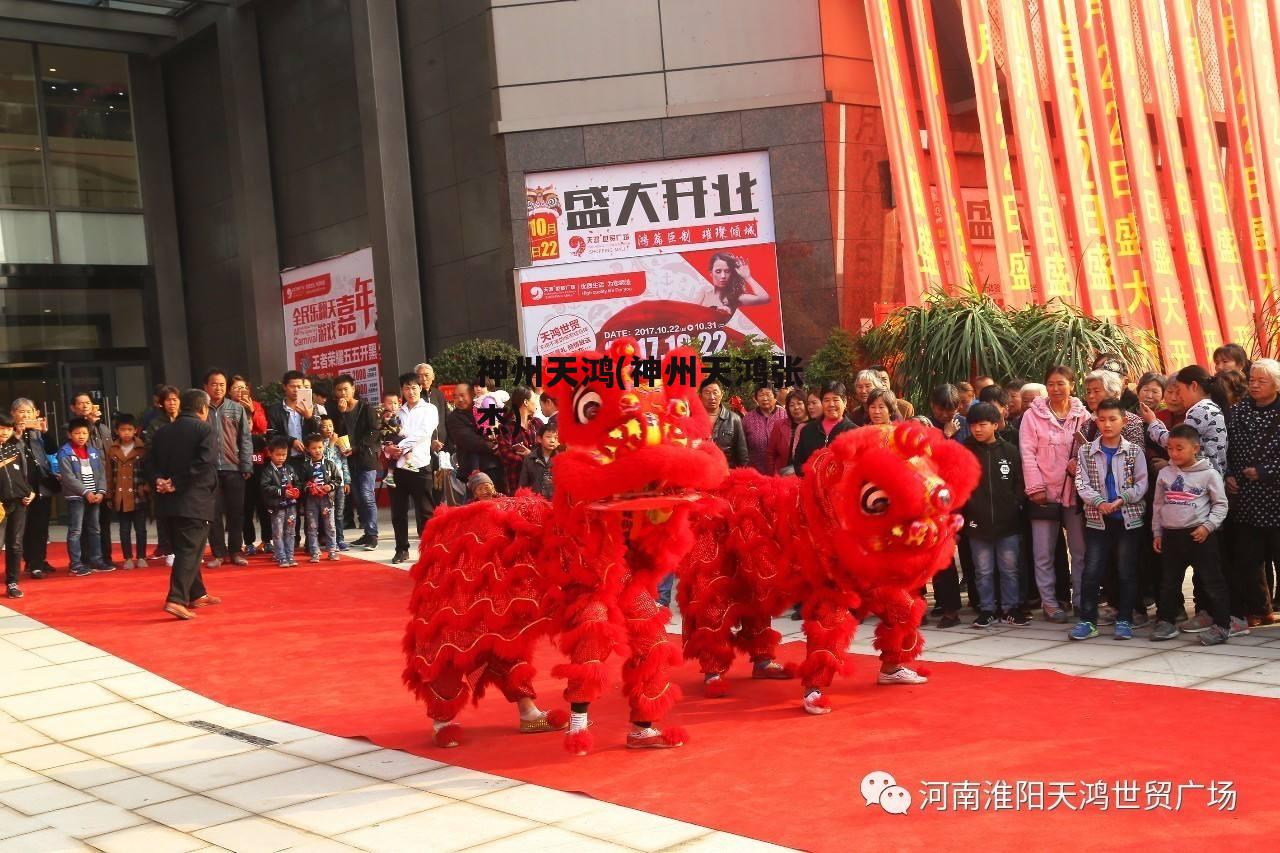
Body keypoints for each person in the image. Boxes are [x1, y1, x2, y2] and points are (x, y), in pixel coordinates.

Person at [1072, 398, 1149, 641]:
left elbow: (1142, 483)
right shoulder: (1086, 451)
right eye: (1102, 419)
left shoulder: (1134, 451)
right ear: (1096, 420)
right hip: (1097, 520)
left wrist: (1122, 499)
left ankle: (1125, 619)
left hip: (1128, 519)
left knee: (1126, 570)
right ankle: (1087, 620)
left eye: (1113, 419)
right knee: (1092, 571)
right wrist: (1098, 502)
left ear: (1124, 421)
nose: (1107, 424)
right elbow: (1081, 483)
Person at [1150, 424, 1234, 645]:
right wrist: (1157, 532)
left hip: (1200, 536)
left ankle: (1222, 626)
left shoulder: (1209, 474)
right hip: (1171, 536)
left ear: (1195, 448)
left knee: (1212, 581)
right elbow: (1158, 505)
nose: (1173, 453)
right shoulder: (1165, 474)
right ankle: (1166, 621)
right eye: (1169, 448)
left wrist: (1208, 526)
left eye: (1180, 448)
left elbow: (1221, 505)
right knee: (1169, 581)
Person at [1020, 366, 1090, 623]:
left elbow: (1089, 451)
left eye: (1061, 383)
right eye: (1051, 384)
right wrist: (1035, 488)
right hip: (1044, 494)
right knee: (1043, 553)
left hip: (1075, 491)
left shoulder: (1082, 414)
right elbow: (1027, 453)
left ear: (1072, 384)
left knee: (1080, 550)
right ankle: (1050, 603)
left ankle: (1082, 600)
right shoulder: (1032, 416)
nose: (1056, 388)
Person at [150, 389, 220, 620]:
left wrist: (160, 480)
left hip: (167, 502)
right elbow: (204, 463)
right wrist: (176, 483)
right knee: (190, 550)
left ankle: (196, 593)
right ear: (203, 409)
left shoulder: (162, 431)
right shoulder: (205, 429)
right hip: (193, 500)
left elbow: (149, 462)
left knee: (187, 548)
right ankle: (176, 599)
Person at [1225, 358, 1280, 627]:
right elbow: (1230, 445)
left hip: (1275, 495)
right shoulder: (1241, 409)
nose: (1255, 385)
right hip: (1247, 497)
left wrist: (1265, 470)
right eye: (1253, 380)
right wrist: (1230, 474)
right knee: (1249, 558)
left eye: (1262, 381)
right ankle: (1260, 609)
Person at [962, 403, 1027, 627]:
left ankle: (1010, 608)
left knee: (1009, 568)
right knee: (983, 570)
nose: (977, 430)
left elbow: (1020, 482)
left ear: (995, 425)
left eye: (982, 425)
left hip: (1007, 521)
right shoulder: (965, 451)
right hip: (976, 522)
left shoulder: (1009, 451)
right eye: (973, 425)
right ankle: (987, 609)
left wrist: (1015, 504)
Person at [388, 373, 442, 564]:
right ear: (401, 390)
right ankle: (401, 549)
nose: (410, 392)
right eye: (406, 388)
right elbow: (387, 434)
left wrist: (399, 447)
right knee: (398, 512)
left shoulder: (429, 409)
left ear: (421, 388)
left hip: (420, 465)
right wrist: (389, 448)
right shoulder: (397, 412)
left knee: (425, 511)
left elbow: (423, 433)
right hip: (399, 468)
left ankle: (429, 549)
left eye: (414, 387)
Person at [202, 369, 253, 568]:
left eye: (222, 384)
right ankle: (218, 553)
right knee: (213, 514)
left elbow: (245, 439)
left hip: (234, 467)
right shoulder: (202, 410)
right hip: (209, 470)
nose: (219, 388)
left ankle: (235, 552)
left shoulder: (236, 408)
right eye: (214, 384)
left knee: (236, 512)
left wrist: (246, 464)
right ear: (206, 387)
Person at [331, 375, 380, 550]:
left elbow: (374, 431)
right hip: (347, 460)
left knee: (367, 495)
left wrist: (357, 448)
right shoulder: (336, 410)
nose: (343, 393)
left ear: (353, 388)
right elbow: (334, 432)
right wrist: (341, 414)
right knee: (358, 498)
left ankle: (373, 535)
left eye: (346, 389)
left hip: (366, 458)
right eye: (339, 390)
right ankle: (367, 532)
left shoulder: (366, 408)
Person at [58, 417, 110, 577]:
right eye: (77, 433)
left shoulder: (93, 452)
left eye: (84, 433)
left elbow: (101, 473)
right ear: (69, 434)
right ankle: (75, 564)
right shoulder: (65, 452)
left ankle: (96, 560)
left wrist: (101, 491)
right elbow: (68, 477)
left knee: (95, 529)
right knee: (76, 530)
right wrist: (86, 492)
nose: (81, 436)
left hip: (94, 495)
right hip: (76, 497)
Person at [11, 399, 57, 579]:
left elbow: (53, 450)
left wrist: (45, 432)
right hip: (21, 487)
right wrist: (17, 434)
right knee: (24, 527)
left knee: (40, 526)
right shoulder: (9, 432)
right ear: (14, 413)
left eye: (29, 412)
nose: (25, 415)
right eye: (21, 412)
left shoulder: (38, 433)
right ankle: (30, 561)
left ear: (35, 413)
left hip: (42, 485)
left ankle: (38, 562)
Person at [70, 392, 116, 568]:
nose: (85, 406)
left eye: (87, 402)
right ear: (73, 408)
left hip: (104, 481)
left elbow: (110, 453)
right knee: (83, 524)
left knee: (103, 522)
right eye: (80, 403)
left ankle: (105, 556)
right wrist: (89, 423)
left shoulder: (103, 427)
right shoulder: (74, 427)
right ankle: (85, 559)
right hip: (85, 482)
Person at [106, 414, 148, 569]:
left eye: (130, 429)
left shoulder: (142, 448)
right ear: (117, 431)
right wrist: (109, 495)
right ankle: (128, 557)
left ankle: (142, 556)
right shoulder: (112, 449)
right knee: (124, 530)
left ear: (135, 430)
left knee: (141, 529)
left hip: (138, 493)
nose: (126, 433)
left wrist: (147, 487)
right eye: (123, 429)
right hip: (120, 495)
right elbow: (109, 474)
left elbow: (148, 469)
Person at [0, 414, 35, 599]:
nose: (4, 432)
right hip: (0, 506)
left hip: (19, 503)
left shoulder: (13, 449)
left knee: (15, 545)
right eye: (1, 428)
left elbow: (22, 475)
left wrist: (29, 491)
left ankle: (12, 583)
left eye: (7, 428)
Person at [792, 382, 857, 476]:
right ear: (822, 403)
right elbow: (799, 461)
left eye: (836, 400)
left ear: (845, 402)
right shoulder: (807, 430)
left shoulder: (854, 431)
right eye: (826, 400)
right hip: (810, 486)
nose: (831, 404)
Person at [447, 383, 503, 491]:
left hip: (494, 465)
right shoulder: (454, 417)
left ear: (472, 394)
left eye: (463, 395)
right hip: (473, 470)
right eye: (455, 396)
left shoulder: (482, 408)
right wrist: (494, 446)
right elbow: (469, 441)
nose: (459, 399)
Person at [299, 433, 341, 562]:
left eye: (320, 447)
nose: (317, 450)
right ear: (308, 449)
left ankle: (332, 551)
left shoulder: (330, 464)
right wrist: (309, 487)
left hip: (327, 500)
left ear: (324, 447)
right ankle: (314, 552)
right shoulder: (305, 466)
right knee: (312, 526)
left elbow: (338, 479)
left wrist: (330, 486)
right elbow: (300, 483)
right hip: (311, 501)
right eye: (314, 448)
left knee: (330, 526)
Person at [261, 436, 301, 567]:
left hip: (291, 506)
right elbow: (265, 487)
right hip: (277, 507)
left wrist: (296, 490)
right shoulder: (267, 471)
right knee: (277, 532)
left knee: (290, 532)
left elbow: (298, 483)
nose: (281, 458)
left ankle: (290, 556)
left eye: (284, 455)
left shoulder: (290, 469)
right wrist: (281, 491)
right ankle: (281, 557)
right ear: (270, 453)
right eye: (278, 455)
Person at [267, 370, 321, 459]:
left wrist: (309, 417)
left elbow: (319, 432)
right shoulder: (275, 410)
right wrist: (291, 441)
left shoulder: (311, 406)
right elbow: (271, 435)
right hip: (285, 458)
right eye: (292, 386)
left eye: (299, 386)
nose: (296, 390)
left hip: (308, 457)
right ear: (285, 387)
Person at [1083, 370, 1145, 447]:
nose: (1091, 396)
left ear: (1114, 393)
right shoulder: (1087, 424)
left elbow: (1136, 456)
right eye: (1089, 392)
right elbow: (1077, 454)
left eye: (1096, 391)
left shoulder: (1131, 421)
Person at [699, 252, 770, 317]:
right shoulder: (704, 292)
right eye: (718, 271)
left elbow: (764, 298)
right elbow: (691, 313)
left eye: (727, 271)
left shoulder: (735, 297)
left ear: (732, 274)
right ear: (711, 273)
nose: (723, 276)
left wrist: (748, 277)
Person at [499, 387, 539, 495]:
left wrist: (531, 455)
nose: (536, 402)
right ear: (526, 402)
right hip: (517, 482)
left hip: (539, 482)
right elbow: (506, 455)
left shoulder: (537, 424)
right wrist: (531, 459)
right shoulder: (506, 427)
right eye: (534, 399)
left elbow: (548, 450)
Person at [319, 416, 350, 551]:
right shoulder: (320, 444)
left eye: (330, 426)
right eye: (325, 426)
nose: (328, 429)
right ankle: (330, 540)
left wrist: (347, 481)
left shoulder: (339, 442)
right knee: (328, 513)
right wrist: (331, 443)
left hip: (340, 483)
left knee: (339, 513)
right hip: (328, 485)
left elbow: (344, 463)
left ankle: (340, 539)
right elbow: (326, 460)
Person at [701, 381, 748, 468]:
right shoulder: (692, 418)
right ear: (700, 395)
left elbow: (742, 455)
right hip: (700, 474)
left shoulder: (734, 419)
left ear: (721, 395)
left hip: (726, 474)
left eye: (715, 392)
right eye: (707, 393)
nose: (712, 397)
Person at [742, 384, 787, 474]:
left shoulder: (785, 415)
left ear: (775, 397)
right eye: (761, 395)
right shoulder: (747, 418)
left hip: (780, 472)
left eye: (768, 394)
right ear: (756, 399)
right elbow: (742, 446)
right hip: (755, 471)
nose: (765, 398)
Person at [766, 389, 811, 476]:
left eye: (799, 403)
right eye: (792, 405)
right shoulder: (779, 425)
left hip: (807, 476)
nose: (796, 407)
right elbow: (770, 454)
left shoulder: (814, 425)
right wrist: (772, 475)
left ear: (806, 404)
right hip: (782, 476)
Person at [518, 423, 558, 500]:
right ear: (539, 439)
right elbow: (523, 485)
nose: (552, 440)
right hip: (536, 503)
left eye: (556, 437)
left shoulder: (561, 459)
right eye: (548, 437)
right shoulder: (530, 458)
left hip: (556, 503)